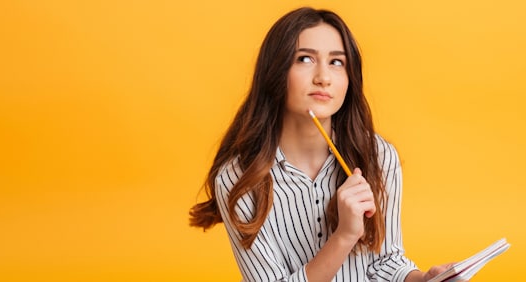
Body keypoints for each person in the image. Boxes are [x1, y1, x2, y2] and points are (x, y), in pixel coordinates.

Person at [190, 7, 461, 282]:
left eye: (337, 62)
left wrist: (424, 279)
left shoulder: (378, 157)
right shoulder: (238, 180)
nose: (323, 77)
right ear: (275, 71)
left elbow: (386, 262)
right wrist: (344, 236)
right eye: (305, 59)